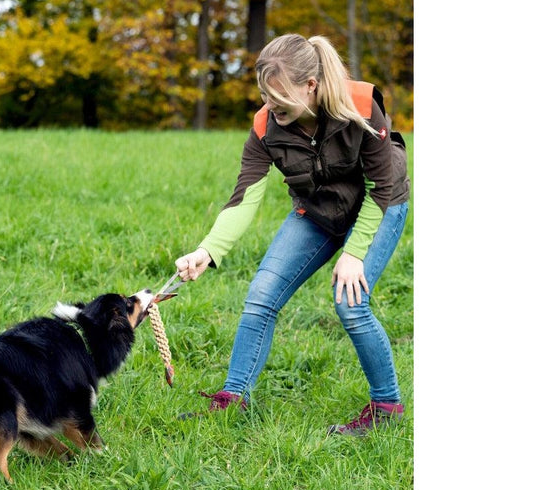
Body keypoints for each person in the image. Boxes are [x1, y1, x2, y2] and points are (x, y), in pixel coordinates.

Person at [174, 33, 410, 436]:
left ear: (311, 86)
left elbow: (382, 188)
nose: (271, 104)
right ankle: (234, 399)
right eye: (265, 94)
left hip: (379, 205)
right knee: (260, 297)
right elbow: (245, 196)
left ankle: (387, 407)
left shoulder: (360, 106)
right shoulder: (267, 125)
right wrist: (207, 250)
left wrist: (353, 253)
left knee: (350, 304)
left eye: (279, 94)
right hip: (318, 211)